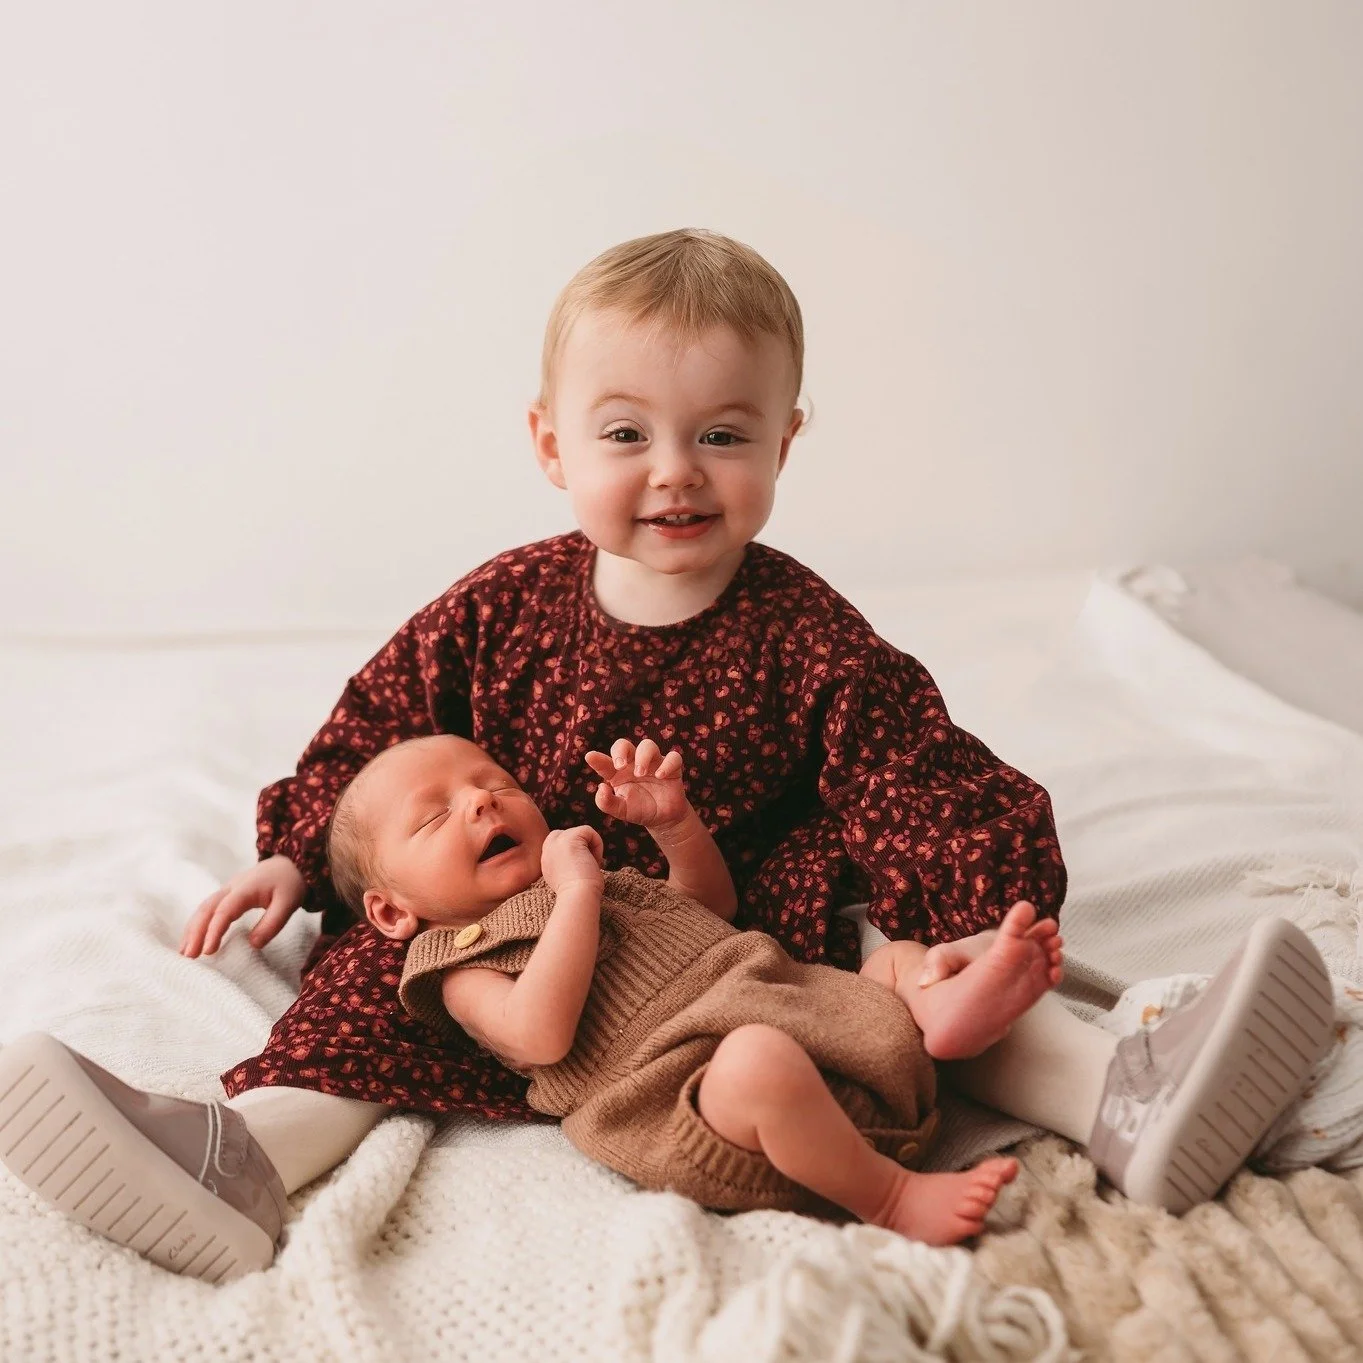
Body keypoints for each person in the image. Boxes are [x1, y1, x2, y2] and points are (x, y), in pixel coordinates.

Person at [0, 230, 1334, 1282]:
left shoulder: (802, 630)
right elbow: (381, 734)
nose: (676, 473)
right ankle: (240, 1158)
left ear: (783, 442)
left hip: (730, 928)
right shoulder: (499, 607)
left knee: (896, 971)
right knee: (373, 970)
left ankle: (1114, 1095)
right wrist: (296, 849)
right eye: (626, 433)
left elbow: (908, 766)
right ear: (551, 444)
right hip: (514, 928)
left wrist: (972, 910)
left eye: (723, 435)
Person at [354, 732, 1063, 1245]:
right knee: (757, 1059)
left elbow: (709, 907)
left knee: (897, 958)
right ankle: (891, 1196)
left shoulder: (596, 883)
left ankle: (944, 1017)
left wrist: (674, 825)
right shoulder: (460, 966)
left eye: (499, 784)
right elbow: (538, 1035)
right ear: (391, 911)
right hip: (708, 1109)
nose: (482, 800)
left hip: (823, 1026)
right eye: (434, 815)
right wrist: (575, 893)